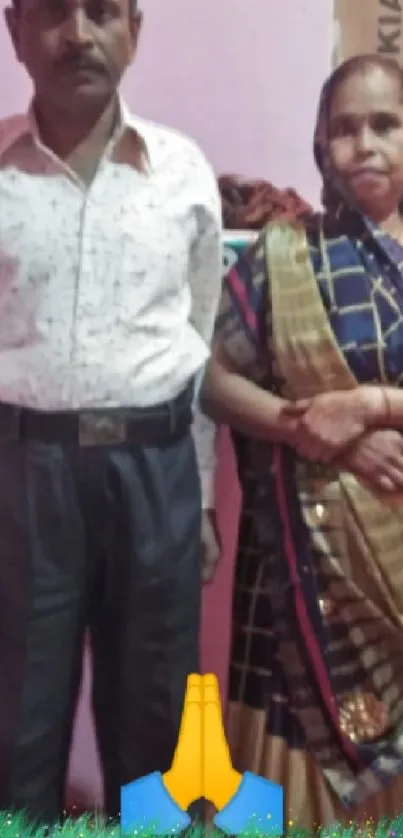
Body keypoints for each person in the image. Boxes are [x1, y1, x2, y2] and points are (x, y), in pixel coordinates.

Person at [0, 0, 222, 825]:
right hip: (23, 478)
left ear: (135, 28)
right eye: (54, 12)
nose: (79, 35)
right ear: (15, 32)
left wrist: (197, 499)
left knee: (155, 720)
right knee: (16, 720)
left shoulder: (183, 173)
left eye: (102, 11)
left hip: (155, 474)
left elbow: (196, 353)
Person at [201, 54, 403, 830]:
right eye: (344, 128)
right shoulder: (282, 255)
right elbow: (211, 381)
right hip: (298, 582)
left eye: (384, 124)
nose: (364, 145)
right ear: (321, 146)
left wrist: (367, 405)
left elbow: (357, 408)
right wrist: (319, 436)